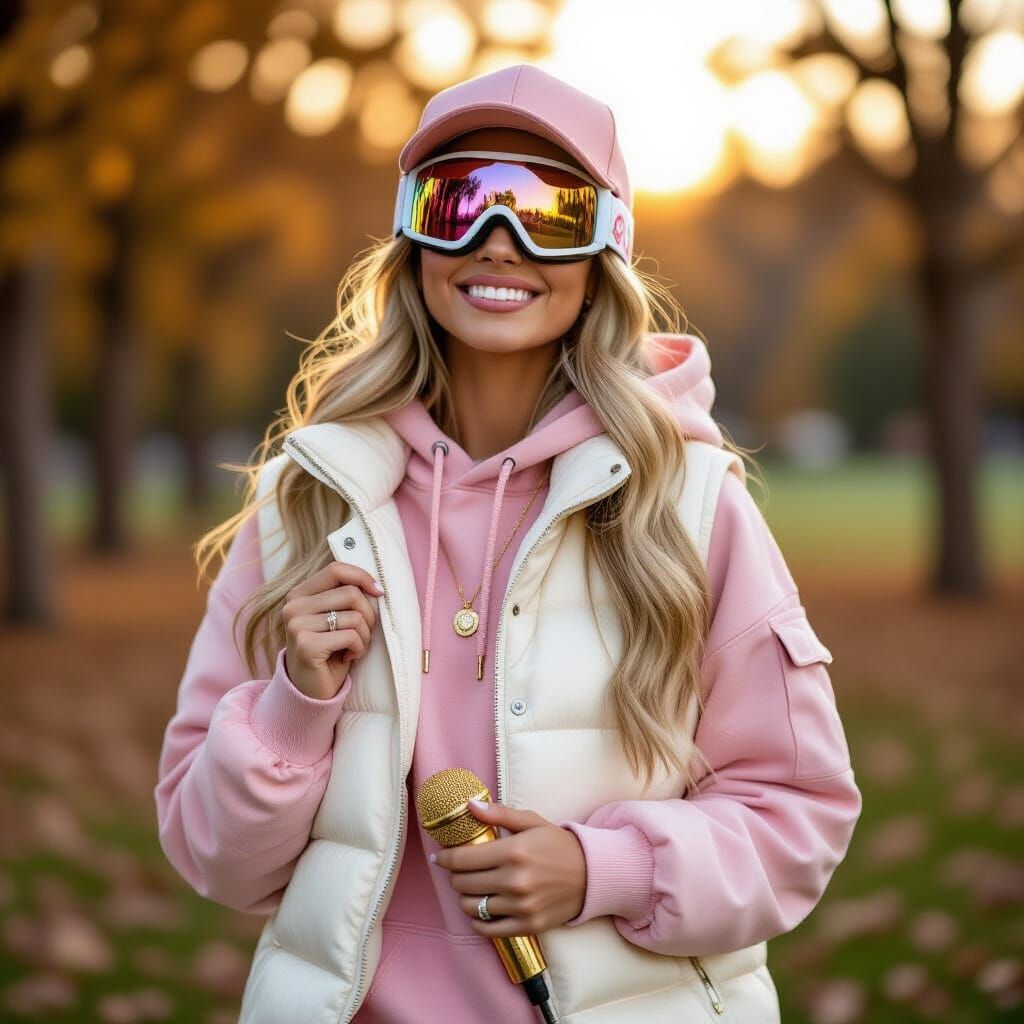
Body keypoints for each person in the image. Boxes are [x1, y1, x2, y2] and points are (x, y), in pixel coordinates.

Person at [154, 63, 862, 1023]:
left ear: (606, 246)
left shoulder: (690, 505)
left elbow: (799, 816)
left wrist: (603, 868)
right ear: (413, 237)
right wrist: (292, 709)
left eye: (548, 211)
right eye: (459, 201)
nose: (498, 238)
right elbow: (214, 861)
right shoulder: (306, 504)